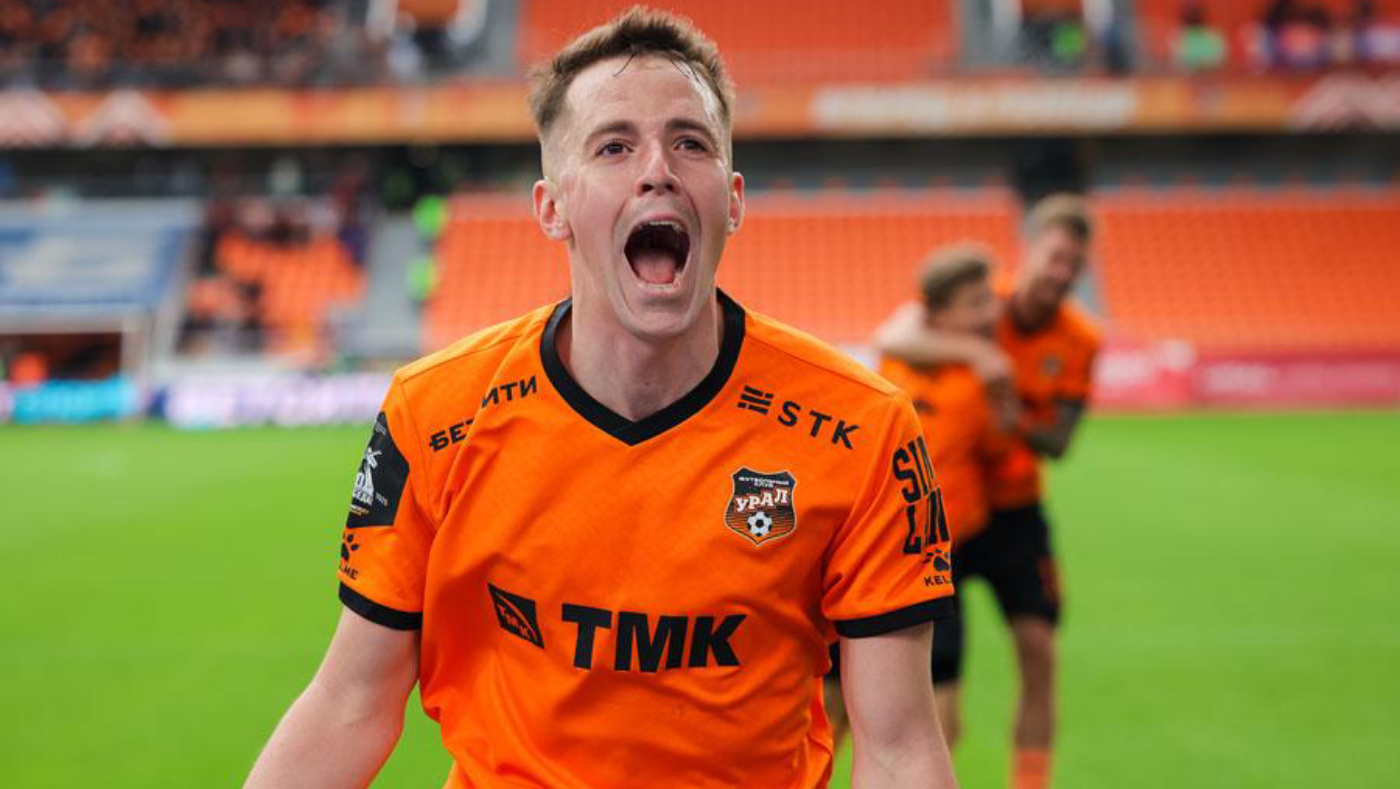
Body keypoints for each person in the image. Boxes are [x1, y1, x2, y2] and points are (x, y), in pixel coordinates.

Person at [245, 8, 959, 789]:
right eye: (614, 146)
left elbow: (897, 745)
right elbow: (351, 703)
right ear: (551, 207)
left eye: (690, 143)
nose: (658, 170)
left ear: (732, 199)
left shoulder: (861, 429)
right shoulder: (435, 412)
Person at [873, 194, 1100, 789]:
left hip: (1016, 510)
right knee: (930, 678)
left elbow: (1059, 441)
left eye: (1074, 264)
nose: (1062, 273)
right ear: (1030, 251)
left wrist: (1009, 414)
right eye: (1055, 257)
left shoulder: (1080, 338)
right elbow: (895, 333)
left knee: (1038, 649)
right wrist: (978, 352)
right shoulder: (980, 302)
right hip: (951, 516)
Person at [824, 243, 1016, 750]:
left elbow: (999, 448)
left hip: (937, 566)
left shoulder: (985, 376)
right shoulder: (897, 359)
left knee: (941, 724)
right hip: (867, 557)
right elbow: (898, 331)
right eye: (975, 303)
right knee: (829, 716)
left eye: (988, 300)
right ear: (939, 313)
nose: (988, 313)